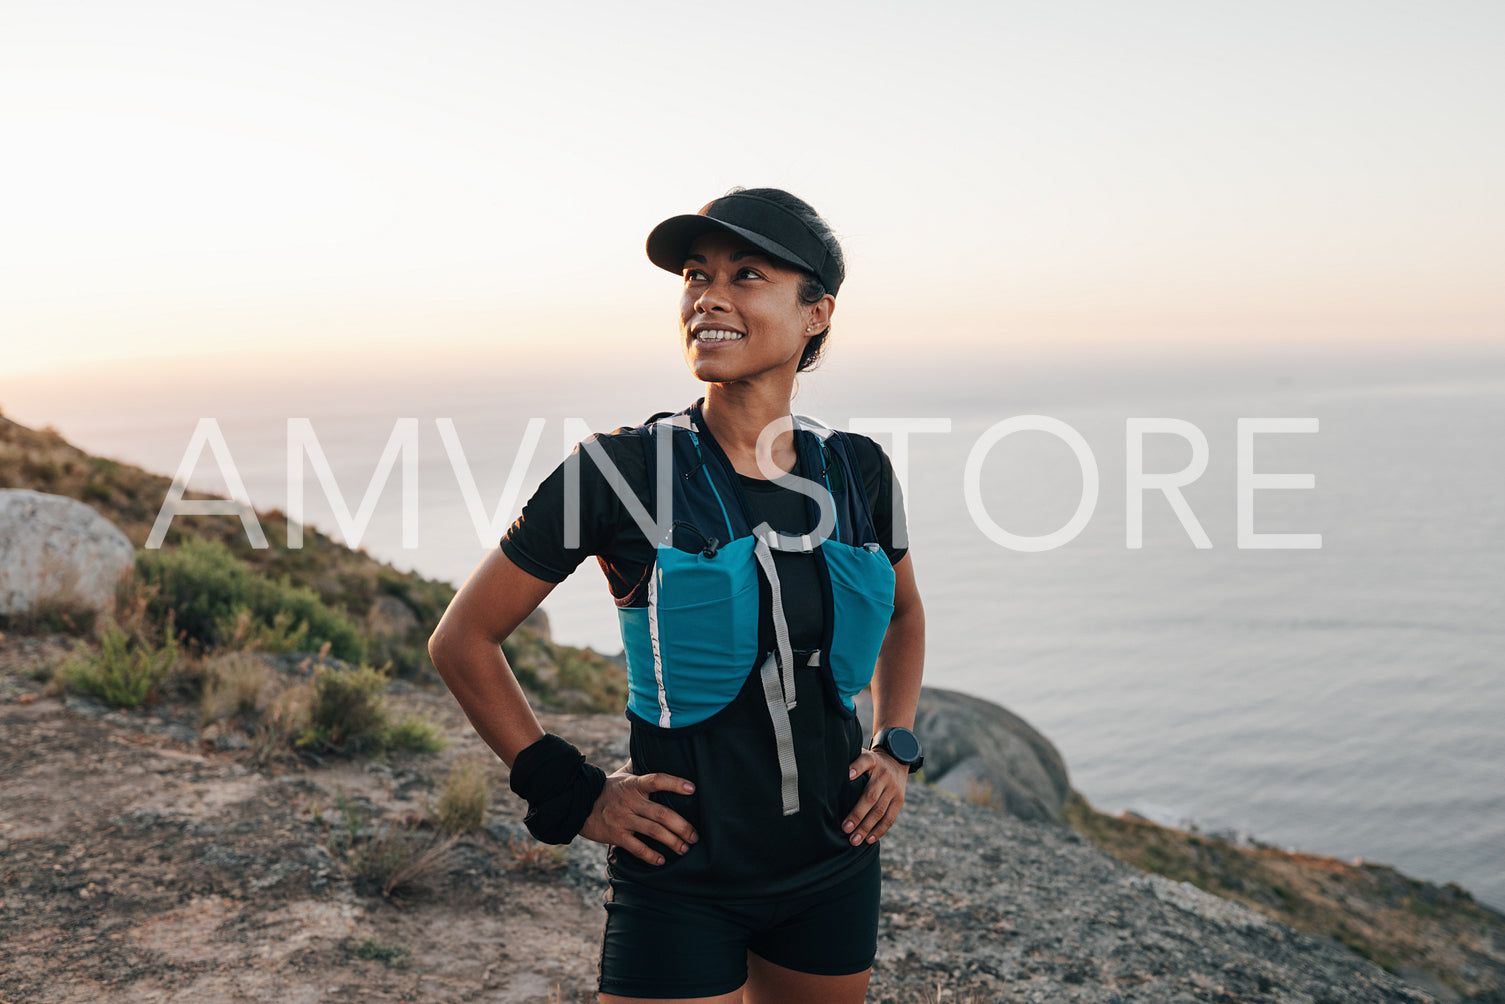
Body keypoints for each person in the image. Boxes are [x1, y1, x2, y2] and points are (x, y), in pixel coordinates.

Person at [429, 187, 926, 1004]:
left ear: (815, 313)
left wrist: (895, 746)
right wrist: (573, 792)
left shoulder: (859, 470)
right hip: (681, 880)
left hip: (833, 869)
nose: (709, 297)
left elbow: (903, 613)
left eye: (747, 275)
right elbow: (462, 639)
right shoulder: (618, 472)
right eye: (696, 275)